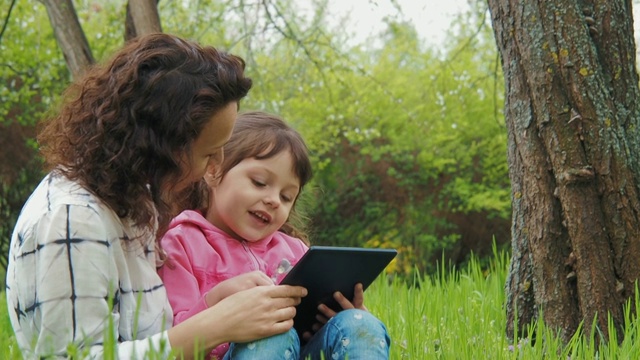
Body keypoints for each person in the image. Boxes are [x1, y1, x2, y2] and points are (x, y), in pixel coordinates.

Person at [5, 33, 307, 359]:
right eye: (209, 154)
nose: (217, 166)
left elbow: (150, 332)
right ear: (162, 147)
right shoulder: (71, 219)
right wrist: (215, 325)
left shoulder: (129, 201)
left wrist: (216, 303)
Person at [158, 111, 391, 359]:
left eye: (286, 197)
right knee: (268, 329)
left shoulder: (296, 251)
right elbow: (173, 339)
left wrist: (341, 316)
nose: (273, 201)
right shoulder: (180, 242)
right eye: (259, 182)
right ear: (213, 170)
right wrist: (217, 300)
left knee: (360, 322)